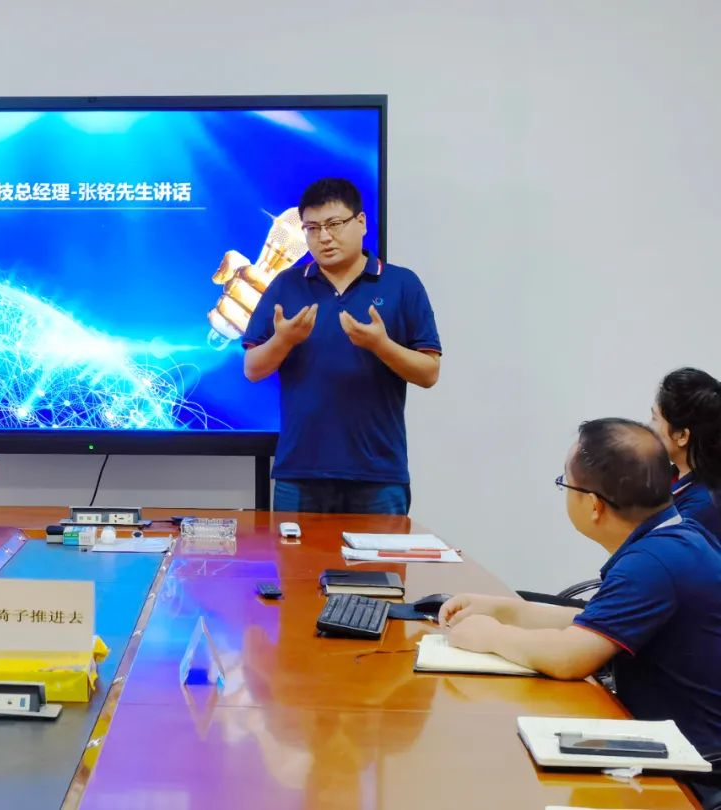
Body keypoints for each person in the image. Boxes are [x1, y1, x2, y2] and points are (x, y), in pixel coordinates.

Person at [440, 418, 721, 798]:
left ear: (593, 505)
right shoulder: (675, 537)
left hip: (694, 773)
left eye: (565, 484)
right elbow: (598, 624)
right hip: (672, 744)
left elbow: (570, 657)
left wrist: (491, 635)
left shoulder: (653, 563)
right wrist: (507, 610)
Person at [241, 178, 442, 514]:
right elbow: (252, 369)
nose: (324, 237)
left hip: (378, 475)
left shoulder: (401, 284)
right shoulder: (287, 285)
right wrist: (284, 340)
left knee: (380, 553)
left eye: (334, 224)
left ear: (361, 223)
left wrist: (381, 345)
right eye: (312, 228)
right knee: (294, 553)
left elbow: (429, 373)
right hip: (300, 473)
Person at [651, 366, 721, 540]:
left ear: (682, 435)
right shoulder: (671, 477)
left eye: (654, 419)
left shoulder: (699, 510)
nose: (649, 428)